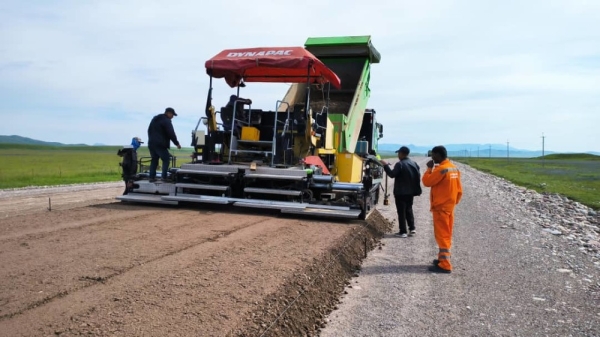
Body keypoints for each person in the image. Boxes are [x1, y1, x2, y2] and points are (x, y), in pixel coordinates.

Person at [422, 145, 463, 274]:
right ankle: (442, 259)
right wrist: (453, 203)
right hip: (449, 207)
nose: (432, 157)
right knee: (447, 234)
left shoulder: (441, 169)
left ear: (438, 155)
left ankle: (445, 265)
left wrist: (429, 168)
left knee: (442, 235)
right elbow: (459, 190)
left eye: (433, 155)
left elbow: (427, 182)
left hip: (441, 207)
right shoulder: (453, 168)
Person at [381, 146, 422, 238]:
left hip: (401, 192)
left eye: (399, 153)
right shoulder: (414, 163)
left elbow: (392, 174)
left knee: (401, 212)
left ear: (402, 154)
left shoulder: (400, 164)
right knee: (409, 210)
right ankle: (412, 229)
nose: (398, 155)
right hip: (410, 192)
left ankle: (403, 231)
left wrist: (385, 165)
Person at [147, 107, 181, 182]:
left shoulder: (155, 119)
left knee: (154, 159)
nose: (172, 117)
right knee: (166, 159)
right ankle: (164, 177)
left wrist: (152, 140)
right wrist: (177, 143)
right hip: (160, 144)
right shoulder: (166, 121)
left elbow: (149, 130)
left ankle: (151, 177)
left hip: (151, 143)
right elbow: (171, 133)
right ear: (168, 113)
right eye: (172, 115)